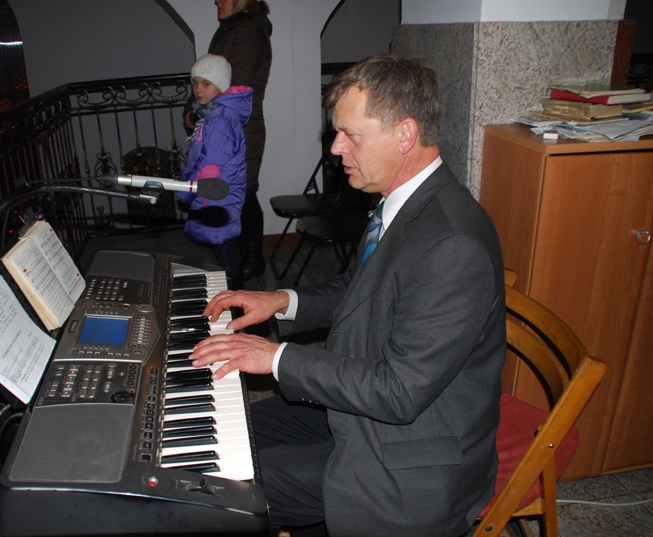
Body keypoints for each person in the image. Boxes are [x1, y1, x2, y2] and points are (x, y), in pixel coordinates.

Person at [188, 54, 506, 537]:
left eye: (350, 134)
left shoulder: (452, 245)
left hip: (410, 456)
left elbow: (399, 392)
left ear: (405, 134)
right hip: (363, 406)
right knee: (233, 432)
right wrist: (281, 301)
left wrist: (275, 357)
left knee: (218, 489)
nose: (336, 147)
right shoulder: (400, 204)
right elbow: (358, 290)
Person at [187, 0, 272, 281]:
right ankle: (242, 260)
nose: (216, 0)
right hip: (226, 124)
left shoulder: (249, 31)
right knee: (240, 193)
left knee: (242, 192)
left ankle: (248, 261)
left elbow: (236, 87)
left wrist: (201, 111)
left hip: (239, 128)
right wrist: (195, 108)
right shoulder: (232, 28)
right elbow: (211, 77)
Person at [178, 54, 252, 288]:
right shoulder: (213, 114)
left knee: (223, 242)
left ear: (221, 86)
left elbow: (211, 165)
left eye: (206, 83)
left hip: (218, 190)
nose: (198, 89)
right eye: (195, 83)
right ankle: (235, 286)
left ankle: (236, 293)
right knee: (224, 240)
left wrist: (187, 190)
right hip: (217, 189)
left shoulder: (220, 119)